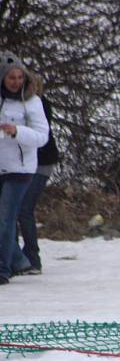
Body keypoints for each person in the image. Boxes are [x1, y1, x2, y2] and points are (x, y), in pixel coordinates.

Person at [0, 51, 49, 285]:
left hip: (20, 170)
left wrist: (16, 131)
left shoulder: (32, 101)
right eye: (12, 78)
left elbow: (42, 137)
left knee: (7, 218)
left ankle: (3, 268)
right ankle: (20, 261)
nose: (16, 82)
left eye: (20, 77)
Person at [16, 72, 59, 274]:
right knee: (15, 209)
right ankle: (16, 256)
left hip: (41, 163)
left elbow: (38, 135)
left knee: (24, 208)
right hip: (22, 163)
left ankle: (32, 258)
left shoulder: (39, 105)